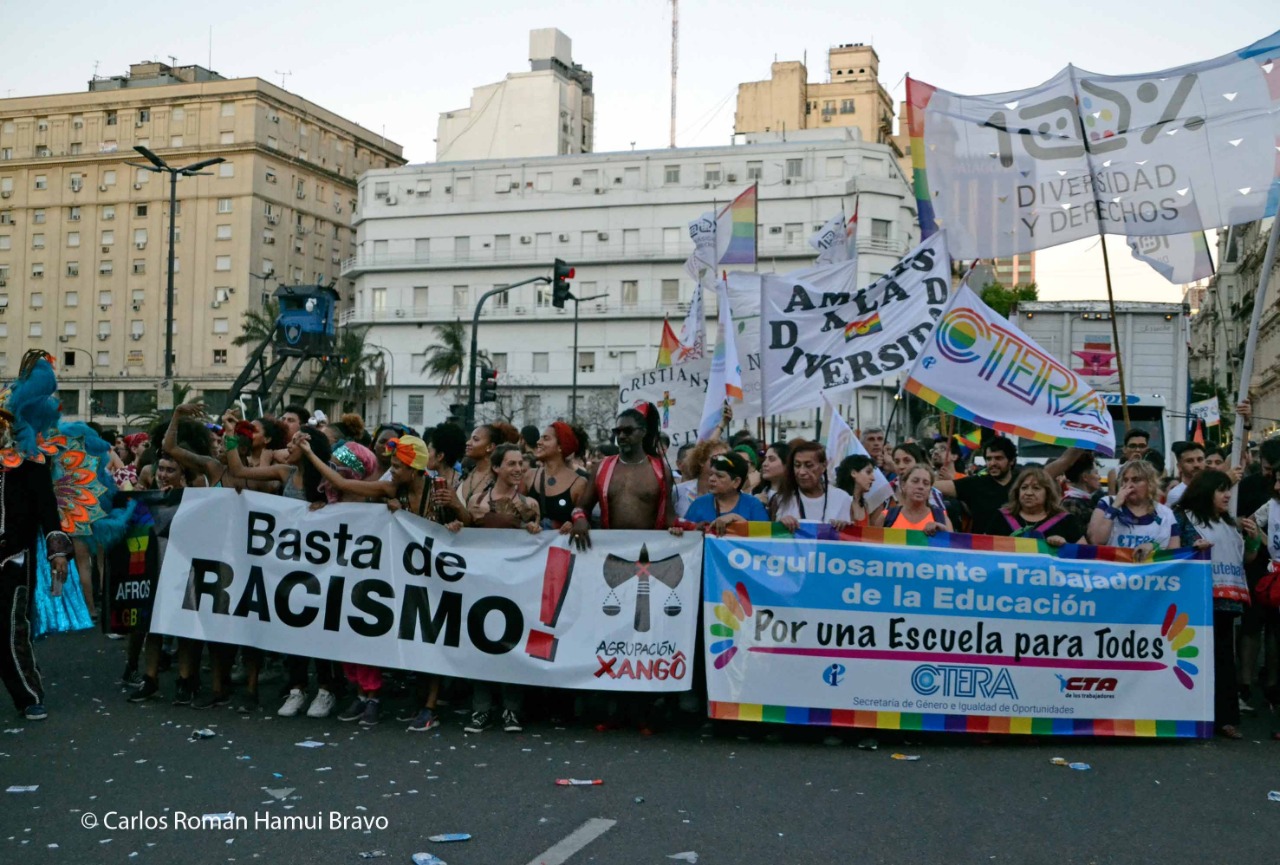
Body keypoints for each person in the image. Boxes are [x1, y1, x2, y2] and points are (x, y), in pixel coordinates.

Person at [464, 444, 541, 733]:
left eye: (521, 463)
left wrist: (534, 530)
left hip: (516, 584)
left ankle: (512, 709)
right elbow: (465, 536)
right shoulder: (476, 501)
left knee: (513, 644)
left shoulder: (530, 504)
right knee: (481, 644)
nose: (519, 468)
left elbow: (540, 539)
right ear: (496, 467)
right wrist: (458, 524)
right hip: (483, 583)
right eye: (511, 463)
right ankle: (481, 709)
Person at [0, 412, 71, 721]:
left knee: (11, 628)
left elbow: (48, 512)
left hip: (14, 559)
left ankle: (28, 695)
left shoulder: (31, 466)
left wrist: (58, 554)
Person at [1174, 469, 1253, 739]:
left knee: (1223, 659)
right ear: (1205, 491)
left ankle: (1225, 718)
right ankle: (1190, 715)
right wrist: (1192, 549)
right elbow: (1173, 551)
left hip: (1225, 601)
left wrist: (1253, 540)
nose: (1227, 495)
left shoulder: (1229, 524)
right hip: (1194, 599)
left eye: (1227, 489)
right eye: (1221, 490)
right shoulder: (1184, 518)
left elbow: (1245, 558)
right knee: (1190, 658)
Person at [564, 403, 682, 550]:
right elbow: (582, 508)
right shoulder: (601, 468)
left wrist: (692, 527)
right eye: (617, 431)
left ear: (643, 432)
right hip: (610, 551)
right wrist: (580, 520)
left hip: (649, 553)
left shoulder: (661, 470)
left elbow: (669, 518)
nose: (621, 436)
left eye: (628, 431)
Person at [935, 437, 1082, 536]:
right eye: (989, 459)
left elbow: (1065, 461)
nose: (992, 463)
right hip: (986, 556)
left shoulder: (1026, 481)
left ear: (1011, 461)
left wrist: (1087, 437)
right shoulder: (973, 483)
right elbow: (930, 486)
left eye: (998, 458)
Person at [1087, 459, 1181, 558]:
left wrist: (1154, 546)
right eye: (1125, 480)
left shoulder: (1166, 513)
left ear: (1150, 483)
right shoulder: (1107, 503)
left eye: (1136, 480)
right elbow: (1096, 540)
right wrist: (1115, 506)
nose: (1129, 485)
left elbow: (1173, 555)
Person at [770, 440, 854, 531]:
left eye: (809, 465)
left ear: (824, 466)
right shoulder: (781, 499)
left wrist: (846, 528)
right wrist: (780, 526)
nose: (801, 472)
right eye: (797, 465)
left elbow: (852, 535)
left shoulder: (842, 499)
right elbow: (770, 535)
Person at [990, 467, 1084, 546]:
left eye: (1036, 488)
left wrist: (1065, 545)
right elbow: (985, 549)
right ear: (1017, 491)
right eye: (1024, 488)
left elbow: (1084, 553)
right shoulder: (1001, 517)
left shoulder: (1065, 520)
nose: (1028, 493)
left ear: (1048, 493)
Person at [685, 452, 768, 534]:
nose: (711, 479)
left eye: (719, 476)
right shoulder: (699, 504)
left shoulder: (753, 505)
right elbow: (686, 533)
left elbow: (765, 536)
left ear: (736, 482)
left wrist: (737, 519)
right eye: (711, 474)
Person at [529, 422, 589, 529]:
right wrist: (525, 525)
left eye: (546, 438)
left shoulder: (579, 484)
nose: (538, 442)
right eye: (540, 438)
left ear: (560, 446)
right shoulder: (528, 476)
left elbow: (585, 521)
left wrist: (573, 525)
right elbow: (515, 518)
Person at [876, 465, 951, 534]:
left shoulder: (941, 517)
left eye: (926, 483)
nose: (921, 487)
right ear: (903, 485)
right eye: (915, 481)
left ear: (930, 490)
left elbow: (953, 543)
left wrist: (943, 532)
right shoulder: (886, 516)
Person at [673, 439, 731, 519]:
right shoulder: (678, 491)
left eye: (726, 459)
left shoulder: (732, 493)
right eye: (717, 458)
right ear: (701, 461)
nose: (722, 463)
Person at [834, 454, 877, 527]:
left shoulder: (865, 505)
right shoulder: (839, 501)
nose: (873, 478)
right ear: (853, 473)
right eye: (868, 472)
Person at [1061, 452, 1102, 527]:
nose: (1099, 477)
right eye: (1096, 473)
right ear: (1085, 477)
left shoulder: (1091, 500)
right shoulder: (1071, 503)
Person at [1107, 428, 1151, 492]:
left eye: (1142, 446)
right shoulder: (1115, 473)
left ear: (1147, 449)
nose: (1137, 450)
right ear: (1124, 449)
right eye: (1132, 446)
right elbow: (1112, 497)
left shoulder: (1154, 472)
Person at [1165, 441, 1207, 507]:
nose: (1196, 465)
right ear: (1179, 467)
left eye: (1200, 459)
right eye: (1189, 461)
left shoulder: (1215, 490)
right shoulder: (1176, 494)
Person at [753, 441, 790, 507]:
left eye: (771, 459)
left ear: (786, 464)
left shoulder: (796, 496)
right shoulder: (756, 492)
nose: (764, 464)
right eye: (765, 459)